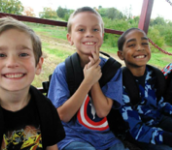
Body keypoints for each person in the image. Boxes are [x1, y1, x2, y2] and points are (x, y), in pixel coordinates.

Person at [0, 17, 65, 150]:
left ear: (38, 65)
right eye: (1, 55)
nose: (12, 63)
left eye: (23, 54)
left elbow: (51, 147)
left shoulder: (45, 107)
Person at [47, 6, 128, 150]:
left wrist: (94, 77)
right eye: (81, 29)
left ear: (102, 35)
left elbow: (102, 111)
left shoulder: (113, 70)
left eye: (95, 29)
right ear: (70, 38)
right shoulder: (63, 71)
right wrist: (87, 81)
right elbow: (62, 115)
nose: (89, 34)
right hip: (72, 137)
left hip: (106, 139)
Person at [117, 27, 172, 150]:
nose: (140, 48)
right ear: (121, 55)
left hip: (158, 119)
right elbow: (136, 130)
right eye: (132, 45)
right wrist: (168, 137)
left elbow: (160, 103)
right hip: (137, 131)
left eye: (144, 43)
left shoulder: (154, 74)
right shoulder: (120, 83)